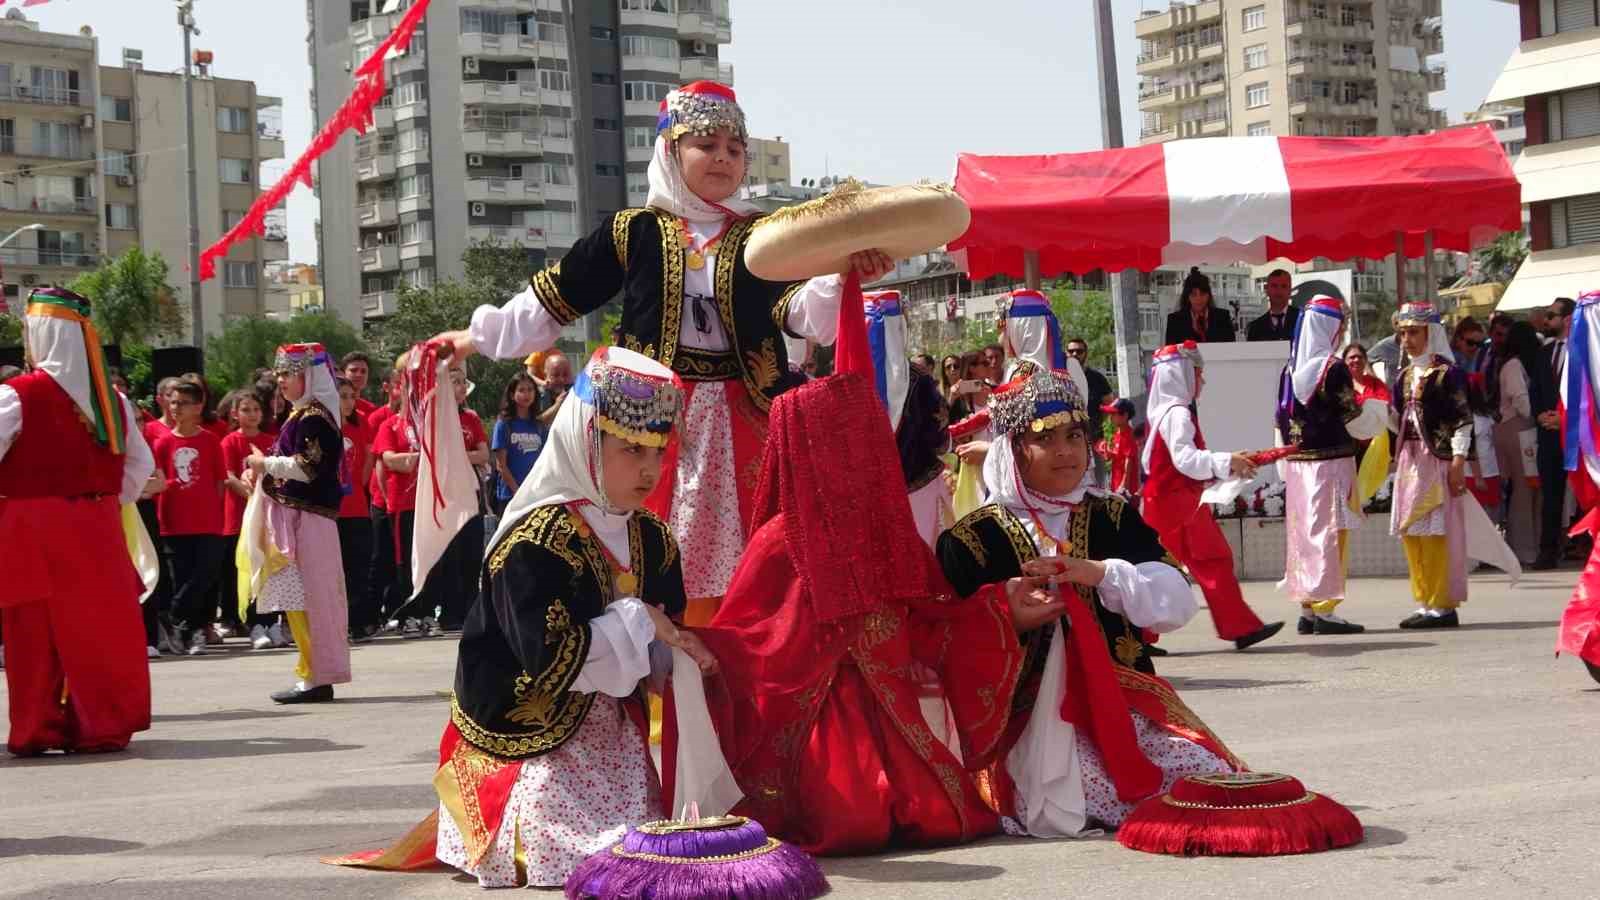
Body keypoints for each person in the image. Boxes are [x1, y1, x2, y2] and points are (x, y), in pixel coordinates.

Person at [431, 81, 887, 627]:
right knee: (645, 543)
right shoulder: (634, 231)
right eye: (706, 143)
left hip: (748, 416)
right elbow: (558, 296)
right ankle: (651, 667)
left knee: (763, 552)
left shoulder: (763, 234)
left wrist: (842, 278)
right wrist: (476, 337)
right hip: (648, 418)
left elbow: (796, 312)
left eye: (734, 149)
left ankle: (740, 670)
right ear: (670, 150)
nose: (722, 157)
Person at [332, 347, 716, 887]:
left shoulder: (650, 535)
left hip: (613, 736)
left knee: (652, 839)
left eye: (657, 451)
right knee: (575, 847)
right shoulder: (533, 542)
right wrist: (641, 621)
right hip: (528, 733)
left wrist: (677, 651)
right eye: (631, 449)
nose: (650, 469)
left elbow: (666, 625)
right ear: (586, 443)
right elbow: (548, 656)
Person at [684, 370, 1024, 853]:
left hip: (894, 715)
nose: (850, 461)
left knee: (939, 813)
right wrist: (689, 641)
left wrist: (1003, 605)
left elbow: (935, 622)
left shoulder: (892, 537)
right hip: (814, 731)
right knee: (855, 820)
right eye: (835, 447)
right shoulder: (781, 542)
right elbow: (744, 639)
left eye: (860, 445)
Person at [936, 364, 1242, 832]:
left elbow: (1178, 601)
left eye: (1075, 438)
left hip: (1124, 707)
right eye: (1046, 439)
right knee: (1068, 793)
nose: (1065, 452)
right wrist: (1004, 615)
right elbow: (941, 642)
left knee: (1211, 783)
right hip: (1024, 720)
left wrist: (1099, 574)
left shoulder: (1112, 516)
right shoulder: (974, 539)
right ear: (1014, 450)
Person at [0, 287, 154, 756]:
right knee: (99, 630)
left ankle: (39, 727)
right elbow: (139, 468)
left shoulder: (16, 395)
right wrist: (102, 500)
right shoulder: (113, 402)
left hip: (31, 527)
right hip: (99, 526)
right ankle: (100, 724)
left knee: (35, 632)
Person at [1141, 341, 1283, 649]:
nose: (1201, 381)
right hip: (1178, 503)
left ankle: (1138, 637)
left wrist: (1228, 460)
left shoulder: (1164, 412)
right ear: (1183, 375)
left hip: (1168, 501)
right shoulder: (1177, 413)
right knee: (1211, 561)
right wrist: (1227, 461)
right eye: (1198, 373)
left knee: (1158, 568)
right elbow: (1187, 461)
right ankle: (1239, 627)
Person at [241, 343, 350, 702]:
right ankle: (311, 672)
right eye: (281, 374)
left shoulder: (315, 417)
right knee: (299, 598)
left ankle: (316, 676)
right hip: (298, 519)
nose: (281, 380)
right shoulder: (301, 415)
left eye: (289, 373)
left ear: (310, 375)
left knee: (311, 598)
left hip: (310, 520)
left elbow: (307, 467)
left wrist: (264, 466)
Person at [1276, 297, 1389, 636]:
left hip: (1299, 467)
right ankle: (1326, 610)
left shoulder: (1289, 370)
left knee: (1304, 536)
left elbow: (1281, 419)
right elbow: (1352, 417)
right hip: (1331, 464)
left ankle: (1309, 609)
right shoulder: (1332, 368)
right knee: (1331, 535)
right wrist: (1378, 414)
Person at [1388, 302, 1475, 629]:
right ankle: (1425, 601)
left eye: (1413, 332)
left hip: (1436, 461)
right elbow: (1401, 422)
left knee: (1439, 534)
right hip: (1409, 462)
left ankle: (1443, 604)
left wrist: (1457, 461)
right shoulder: (1404, 376)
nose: (1406, 339)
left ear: (1431, 333)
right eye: (1403, 333)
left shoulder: (1448, 374)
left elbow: (1463, 421)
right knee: (1413, 534)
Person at [151, 380, 227, 656]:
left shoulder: (210, 440)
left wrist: (211, 509)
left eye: (183, 403)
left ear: (198, 406)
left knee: (204, 574)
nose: (176, 408)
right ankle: (190, 631)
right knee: (181, 576)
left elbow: (219, 482)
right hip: (173, 522)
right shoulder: (162, 443)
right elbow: (159, 481)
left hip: (207, 521)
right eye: (173, 402)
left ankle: (173, 616)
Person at [221, 391, 283, 650]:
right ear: (235, 414)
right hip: (241, 516)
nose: (252, 414)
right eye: (245, 409)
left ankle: (272, 622)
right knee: (249, 569)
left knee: (270, 569)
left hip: (268, 516)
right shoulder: (229, 442)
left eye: (256, 409)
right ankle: (254, 624)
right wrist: (250, 493)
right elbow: (228, 475)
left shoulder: (271, 440)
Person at [1494, 321, 1546, 566]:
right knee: (1525, 491)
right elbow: (1522, 402)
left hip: (1514, 430)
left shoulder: (1509, 364)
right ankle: (1524, 549)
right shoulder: (1514, 366)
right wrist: (1540, 415)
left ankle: (1527, 546)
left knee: (1527, 490)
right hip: (1519, 430)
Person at [1534, 297, 1577, 570]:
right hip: (1548, 434)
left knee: (1588, 493)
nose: (1546, 320)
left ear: (1568, 318)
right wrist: (1540, 414)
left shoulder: (1586, 350)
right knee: (1550, 494)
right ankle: (1547, 551)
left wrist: (1567, 420)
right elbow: (1535, 388)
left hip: (1577, 433)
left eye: (1552, 315)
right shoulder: (1544, 352)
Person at [336, 376, 376, 642]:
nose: (350, 402)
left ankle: (357, 622)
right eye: (343, 396)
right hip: (330, 510)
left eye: (352, 396)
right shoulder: (320, 425)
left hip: (357, 507)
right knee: (334, 571)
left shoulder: (361, 424)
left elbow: (368, 460)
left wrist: (358, 484)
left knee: (358, 567)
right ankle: (336, 624)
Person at [491, 371, 546, 516]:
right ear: (512, 394)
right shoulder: (504, 424)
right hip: (511, 497)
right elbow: (501, 466)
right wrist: (518, 493)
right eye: (521, 390)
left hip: (536, 496)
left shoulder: (539, 425)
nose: (526, 394)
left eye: (530, 390)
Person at [1163, 267, 1236, 344]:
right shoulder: (1175, 320)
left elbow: (1231, 348)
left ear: (1208, 295)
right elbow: (1171, 352)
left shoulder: (1223, 317)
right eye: (1194, 294)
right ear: (1188, 297)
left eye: (1203, 294)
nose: (1199, 299)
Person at [1066, 337, 1113, 436]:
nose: (1075, 354)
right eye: (1071, 351)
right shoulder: (1060, 378)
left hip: (1094, 437)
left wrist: (1106, 435)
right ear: (1066, 353)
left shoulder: (1098, 379)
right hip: (1069, 436)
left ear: (1085, 354)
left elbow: (1109, 408)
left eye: (1079, 351)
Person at [1097, 397, 1140, 494]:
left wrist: (1123, 487)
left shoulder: (1129, 436)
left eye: (1113, 414)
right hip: (1115, 484)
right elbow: (1112, 457)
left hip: (1125, 489)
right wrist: (1105, 449)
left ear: (1125, 415)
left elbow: (1128, 463)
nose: (1110, 417)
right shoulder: (1117, 433)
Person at [1246, 269, 1298, 342]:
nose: (1279, 290)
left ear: (1290, 290)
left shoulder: (1302, 320)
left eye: (1284, 286)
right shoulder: (1255, 327)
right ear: (1267, 290)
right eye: (1274, 286)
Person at [342, 350, 378, 421]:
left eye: (363, 371)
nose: (359, 375)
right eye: (353, 370)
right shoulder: (332, 406)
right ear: (343, 373)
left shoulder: (372, 410)